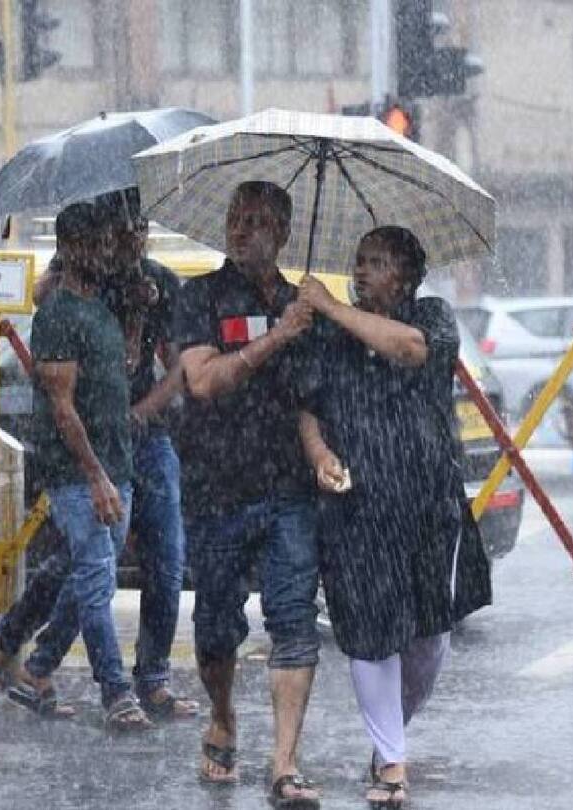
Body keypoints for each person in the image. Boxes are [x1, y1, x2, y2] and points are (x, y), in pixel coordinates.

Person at [0, 196, 196, 723]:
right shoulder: (86, 277)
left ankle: (146, 677)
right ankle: (45, 661)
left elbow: (180, 366)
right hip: (86, 442)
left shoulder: (159, 281)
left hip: (143, 434)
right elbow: (42, 304)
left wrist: (143, 409)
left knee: (162, 560)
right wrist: (77, 267)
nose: (130, 238)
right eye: (120, 229)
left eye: (138, 228)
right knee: (86, 561)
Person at [296, 226, 492, 808]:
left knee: (430, 636)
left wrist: (330, 304)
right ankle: (391, 760)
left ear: (405, 277)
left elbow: (408, 350)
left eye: (376, 263)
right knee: (370, 633)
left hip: (427, 504)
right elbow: (308, 406)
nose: (361, 273)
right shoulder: (328, 333)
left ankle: (391, 735)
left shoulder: (431, 317)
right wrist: (319, 453)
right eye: (358, 261)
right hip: (358, 508)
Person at [174, 181, 321, 805]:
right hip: (217, 488)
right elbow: (204, 381)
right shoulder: (200, 297)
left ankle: (284, 762)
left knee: (293, 619)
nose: (242, 229)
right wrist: (277, 337)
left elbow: (313, 398)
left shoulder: (303, 305)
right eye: (236, 218)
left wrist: (320, 453)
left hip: (287, 488)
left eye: (258, 221)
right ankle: (224, 715)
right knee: (214, 629)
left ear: (282, 233)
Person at [22, 200, 149, 730]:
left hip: (114, 464)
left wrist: (138, 315)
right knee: (97, 580)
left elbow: (123, 367)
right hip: (79, 473)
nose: (107, 252)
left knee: (87, 574)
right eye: (97, 244)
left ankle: (37, 666)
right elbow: (61, 405)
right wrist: (95, 477)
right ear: (72, 249)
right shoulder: (57, 315)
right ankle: (117, 693)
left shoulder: (100, 307)